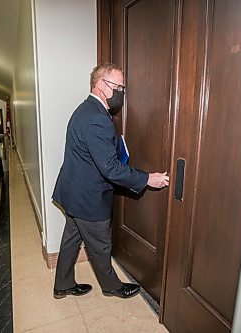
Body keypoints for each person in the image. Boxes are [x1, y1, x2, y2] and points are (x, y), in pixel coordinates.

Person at [52, 63, 169, 300]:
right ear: (100, 85)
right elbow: (111, 169)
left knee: (71, 240)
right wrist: (147, 178)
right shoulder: (97, 118)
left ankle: (62, 284)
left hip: (73, 191)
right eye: (118, 87)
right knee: (100, 246)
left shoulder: (85, 109)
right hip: (87, 198)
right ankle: (112, 287)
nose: (121, 93)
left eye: (122, 87)